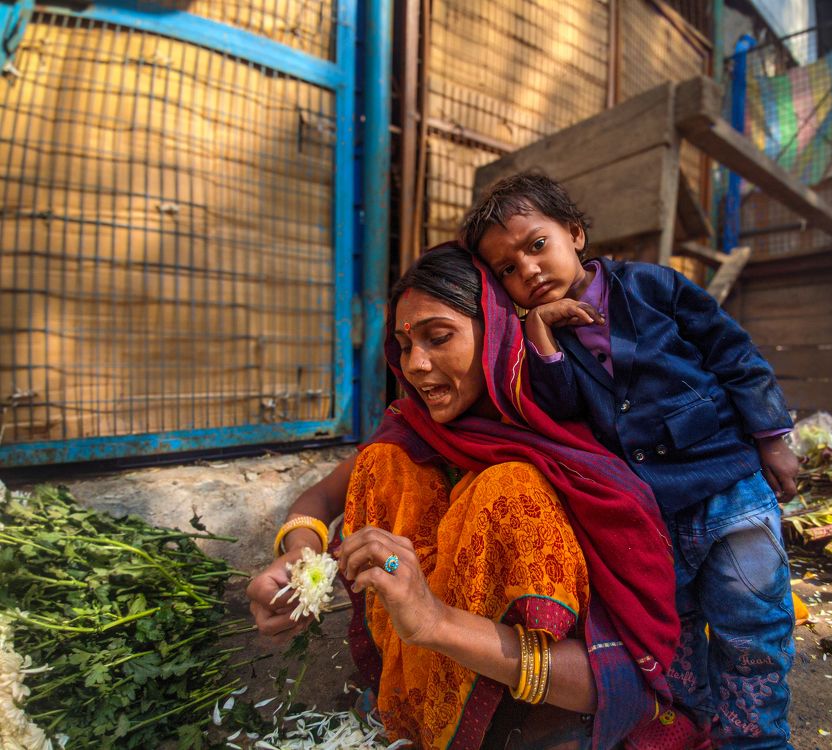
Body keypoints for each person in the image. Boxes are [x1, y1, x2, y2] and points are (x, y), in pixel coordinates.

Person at [247, 244, 707, 750]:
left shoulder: (562, 448)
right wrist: (297, 561)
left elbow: (613, 680)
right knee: (381, 463)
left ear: (496, 333)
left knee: (507, 488)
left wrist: (435, 622)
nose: (417, 365)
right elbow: (318, 500)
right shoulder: (413, 431)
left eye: (438, 338)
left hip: (545, 714)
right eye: (404, 345)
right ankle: (418, 697)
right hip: (422, 689)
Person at [461, 172, 800, 750]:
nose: (528, 271)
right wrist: (542, 338)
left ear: (575, 234)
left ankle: (759, 741)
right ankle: (698, 729)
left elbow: (733, 353)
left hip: (728, 489)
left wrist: (772, 438)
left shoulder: (653, 286)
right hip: (653, 520)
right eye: (507, 270)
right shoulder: (535, 340)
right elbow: (563, 406)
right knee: (678, 637)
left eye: (536, 246)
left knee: (754, 631)